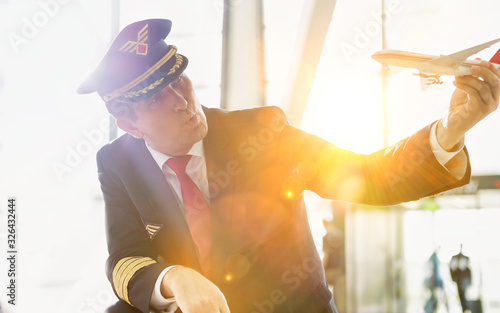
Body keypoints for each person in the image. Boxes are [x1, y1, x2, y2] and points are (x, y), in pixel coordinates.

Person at [77, 18, 500, 313]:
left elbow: (369, 177)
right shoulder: (117, 164)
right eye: (156, 98)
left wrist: (449, 130)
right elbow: (125, 260)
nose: (183, 100)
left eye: (179, 79)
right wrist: (173, 278)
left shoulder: (264, 133)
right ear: (128, 123)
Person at [450, 245, 472, 312]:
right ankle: (464, 309)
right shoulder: (455, 258)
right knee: (461, 296)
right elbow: (452, 269)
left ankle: (465, 309)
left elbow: (469, 270)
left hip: (464, 281)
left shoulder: (465, 258)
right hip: (459, 281)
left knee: (464, 296)